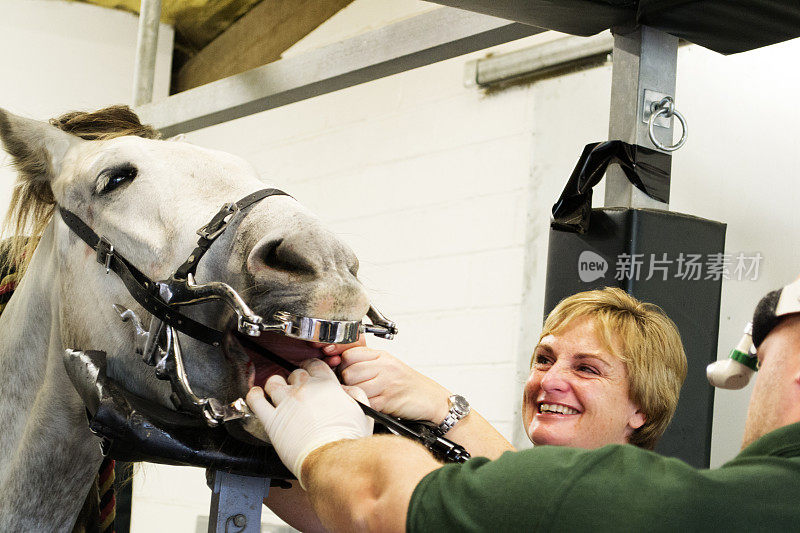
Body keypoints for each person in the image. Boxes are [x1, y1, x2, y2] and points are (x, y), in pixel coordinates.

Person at [246, 276, 800, 531]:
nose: (551, 380)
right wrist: (264, 387)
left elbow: (374, 499)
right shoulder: (486, 487)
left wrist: (327, 439)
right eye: (544, 359)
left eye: (587, 368)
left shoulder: (624, 502)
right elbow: (329, 508)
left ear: (642, 410)